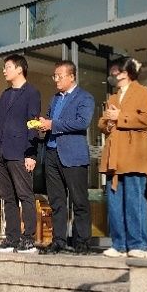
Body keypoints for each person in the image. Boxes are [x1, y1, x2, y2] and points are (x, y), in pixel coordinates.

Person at [99, 57, 147, 259]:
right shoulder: (113, 97)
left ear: (128, 72)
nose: (114, 74)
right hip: (114, 157)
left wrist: (119, 117)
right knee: (114, 203)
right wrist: (109, 123)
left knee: (134, 201)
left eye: (118, 70)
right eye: (113, 71)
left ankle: (139, 245)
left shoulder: (143, 92)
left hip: (134, 155)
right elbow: (102, 122)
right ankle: (119, 244)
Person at [37, 60, 95, 255]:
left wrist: (53, 124)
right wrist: (43, 125)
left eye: (59, 76)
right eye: (54, 76)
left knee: (79, 201)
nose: (56, 80)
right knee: (56, 201)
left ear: (71, 76)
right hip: (51, 153)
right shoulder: (54, 99)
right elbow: (50, 121)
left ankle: (83, 242)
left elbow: (82, 122)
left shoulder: (85, 97)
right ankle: (58, 241)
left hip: (73, 156)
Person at [0, 54, 40, 253]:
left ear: (19, 69)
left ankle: (28, 239)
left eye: (7, 67)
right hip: (2, 152)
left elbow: (33, 123)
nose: (4, 71)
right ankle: (12, 238)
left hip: (20, 152)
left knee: (25, 195)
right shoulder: (6, 94)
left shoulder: (31, 93)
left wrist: (31, 153)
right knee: (8, 197)